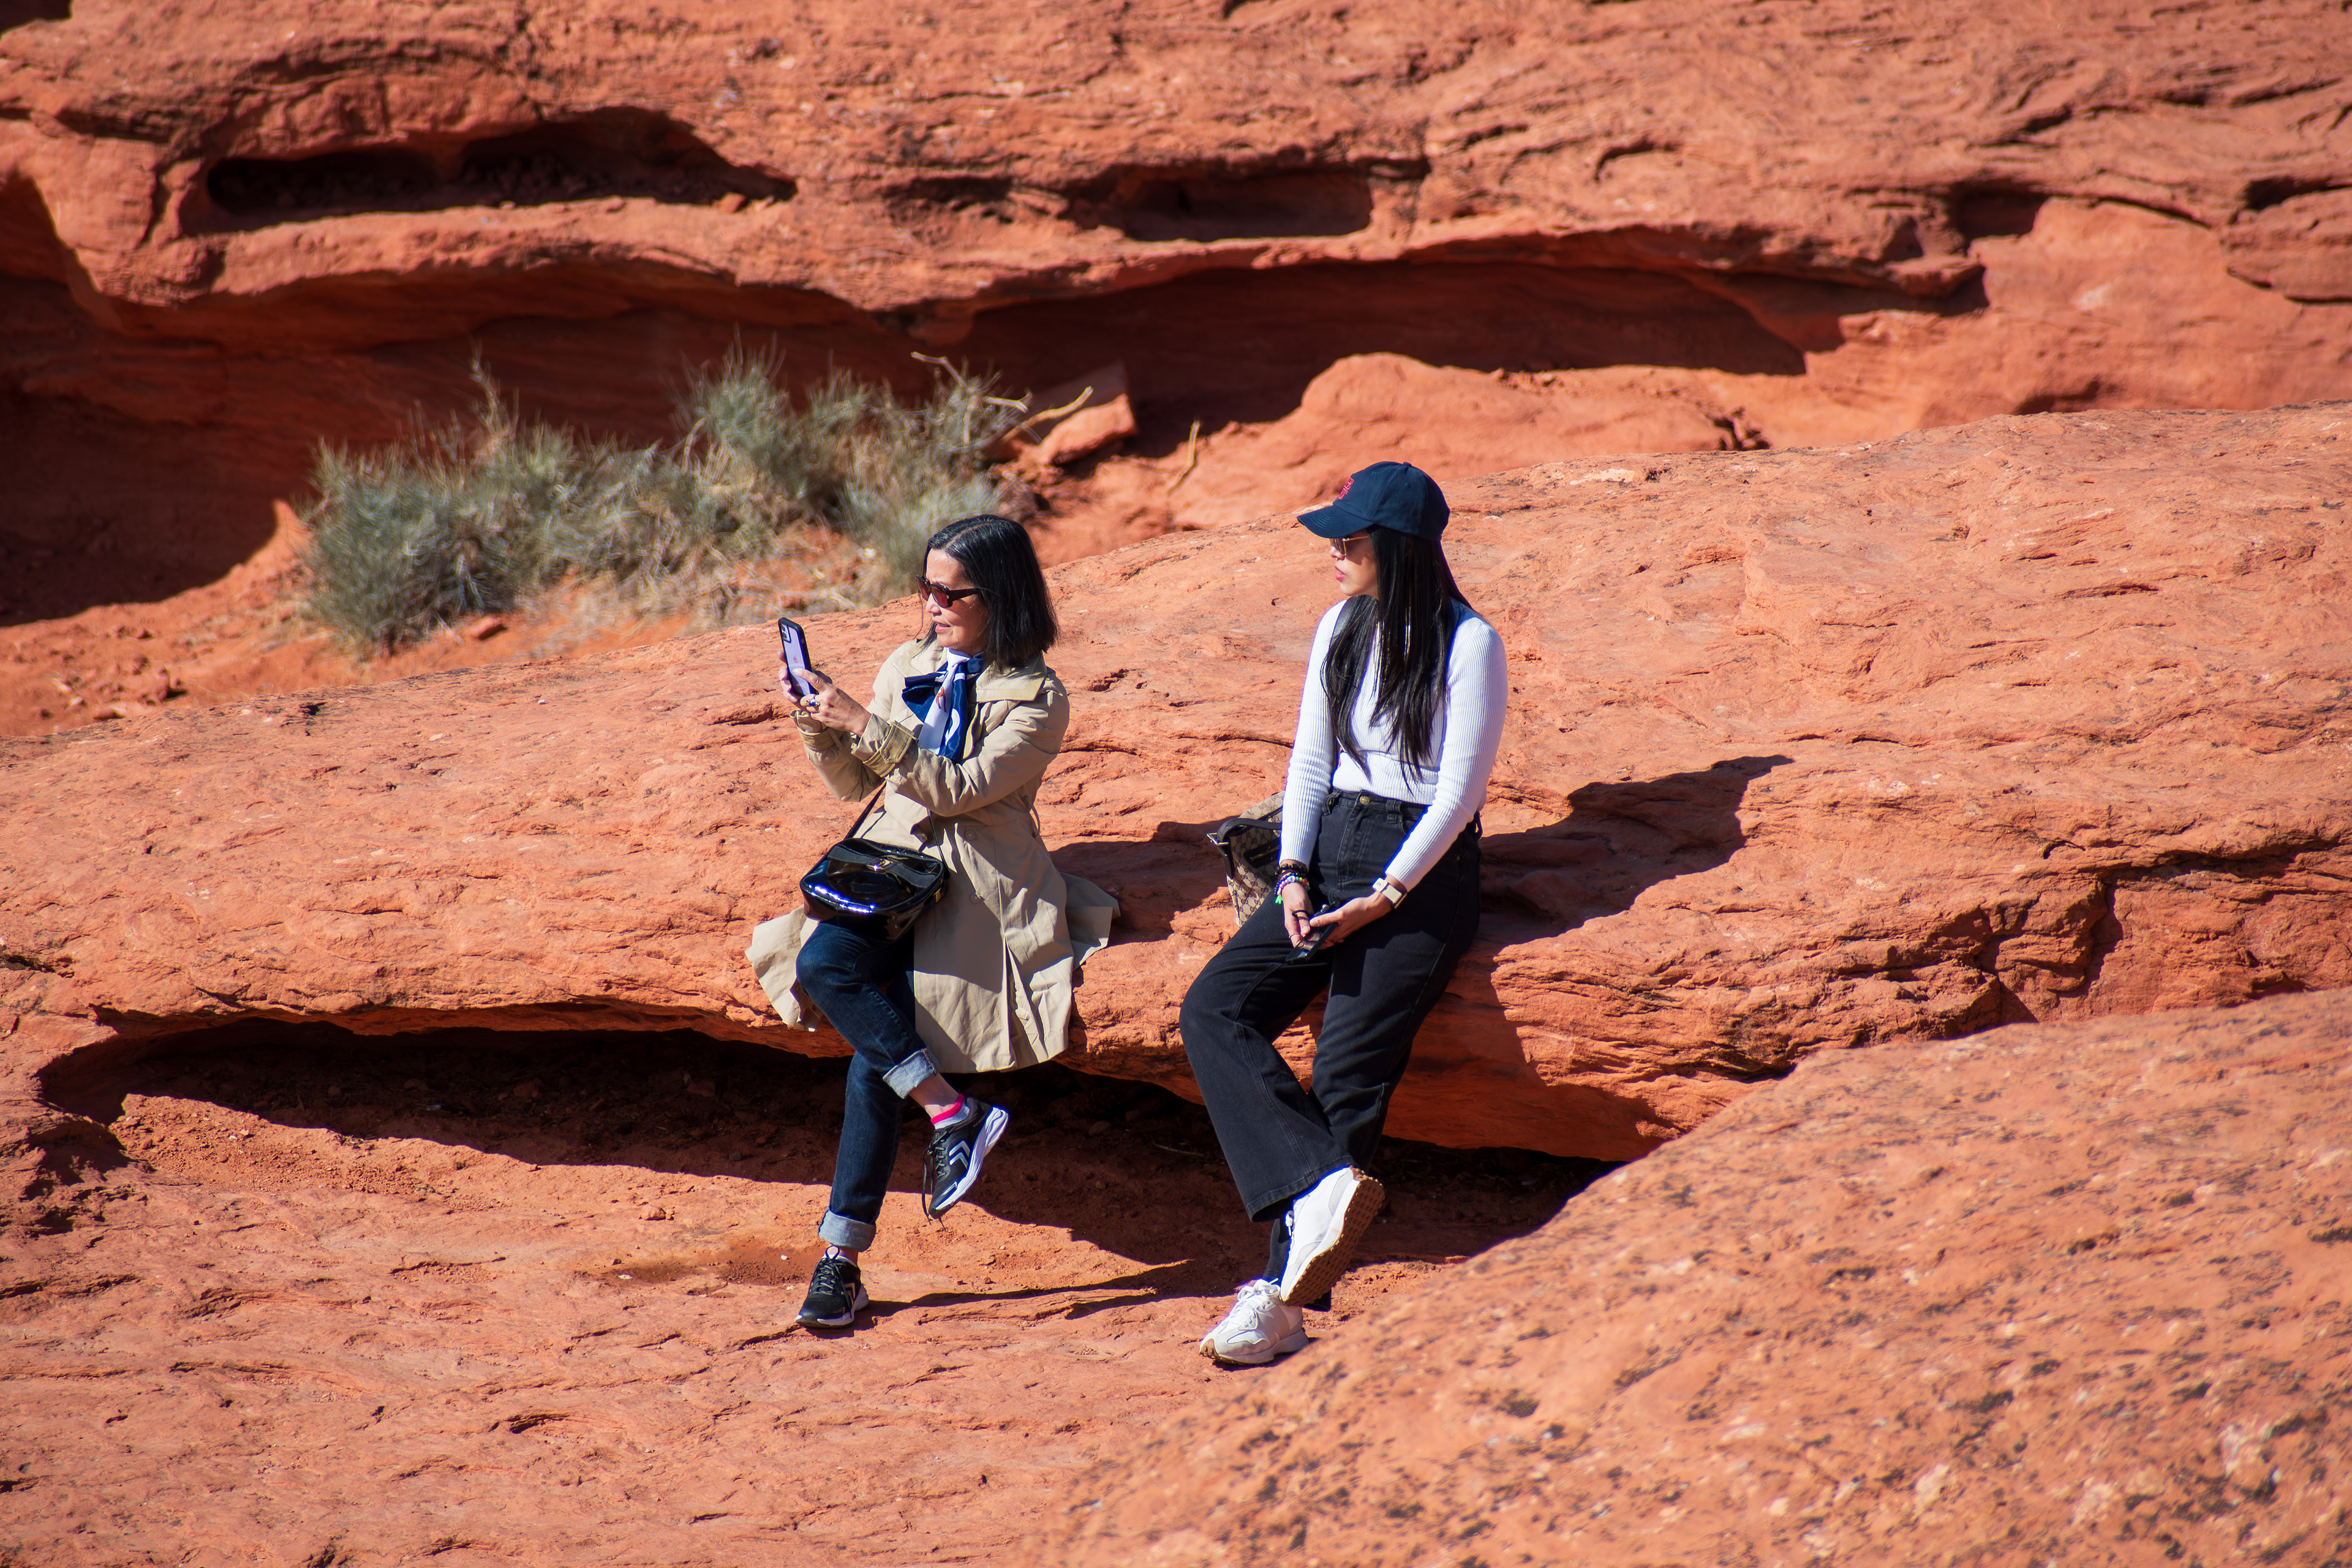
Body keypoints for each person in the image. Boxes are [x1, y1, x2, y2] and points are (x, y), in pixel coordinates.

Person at [745, 514, 1115, 1330]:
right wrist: (818, 717)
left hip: (977, 885)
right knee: (825, 968)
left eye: (952, 591)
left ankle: (840, 1262)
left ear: (1001, 596)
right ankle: (955, 1114)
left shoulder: (1039, 697)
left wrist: (865, 724)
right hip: (888, 870)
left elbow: (959, 788)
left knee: (878, 1059)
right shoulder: (907, 663)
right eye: (927, 586)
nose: (933, 603)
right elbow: (853, 784)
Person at [1181, 461, 1507, 1365]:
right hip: (1328, 851)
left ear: (1397, 550)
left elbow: (1457, 796)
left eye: (1352, 540)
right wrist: (1291, 873)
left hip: (1420, 875)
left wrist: (1386, 898)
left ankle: (1280, 1301)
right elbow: (1309, 765)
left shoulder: (1469, 643)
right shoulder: (1339, 626)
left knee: (1349, 1072)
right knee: (1215, 1007)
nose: (1335, 551)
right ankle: (1325, 1182)